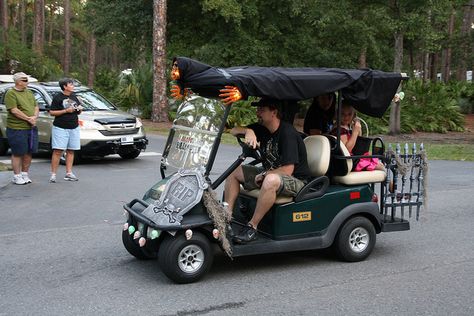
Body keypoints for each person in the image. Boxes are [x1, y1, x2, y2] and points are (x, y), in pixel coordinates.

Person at [224, 98, 311, 243]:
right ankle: (226, 219)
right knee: (234, 171)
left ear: (274, 112)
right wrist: (249, 131)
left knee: (270, 180)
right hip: (271, 174)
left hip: (296, 181)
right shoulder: (263, 128)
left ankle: (252, 227)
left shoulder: (287, 133)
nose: (257, 113)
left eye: (262, 110)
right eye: (258, 110)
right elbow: (233, 130)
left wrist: (265, 174)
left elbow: (288, 170)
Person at [4, 72, 39, 185]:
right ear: (18, 81)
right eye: (24, 80)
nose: (27, 82)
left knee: (29, 151)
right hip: (17, 128)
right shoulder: (11, 93)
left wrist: (34, 117)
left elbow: (36, 106)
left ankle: (25, 174)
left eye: (27, 80)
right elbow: (14, 110)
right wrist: (28, 118)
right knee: (18, 152)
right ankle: (17, 175)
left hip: (31, 127)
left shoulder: (29, 92)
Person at [331, 102, 384, 171]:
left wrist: (358, 130)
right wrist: (355, 132)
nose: (346, 117)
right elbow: (346, 150)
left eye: (349, 114)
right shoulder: (340, 129)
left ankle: (389, 180)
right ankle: (388, 180)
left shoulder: (346, 127)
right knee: (381, 167)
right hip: (346, 162)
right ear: (337, 115)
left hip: (350, 159)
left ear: (353, 115)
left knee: (377, 161)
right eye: (342, 114)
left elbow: (358, 143)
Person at [48, 78, 83, 183]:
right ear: (64, 86)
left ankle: (68, 173)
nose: (73, 86)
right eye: (70, 84)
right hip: (60, 127)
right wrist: (65, 111)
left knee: (71, 150)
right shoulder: (58, 97)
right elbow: (52, 112)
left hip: (74, 126)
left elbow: (78, 112)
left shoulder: (74, 96)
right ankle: (53, 174)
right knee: (58, 151)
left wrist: (79, 110)